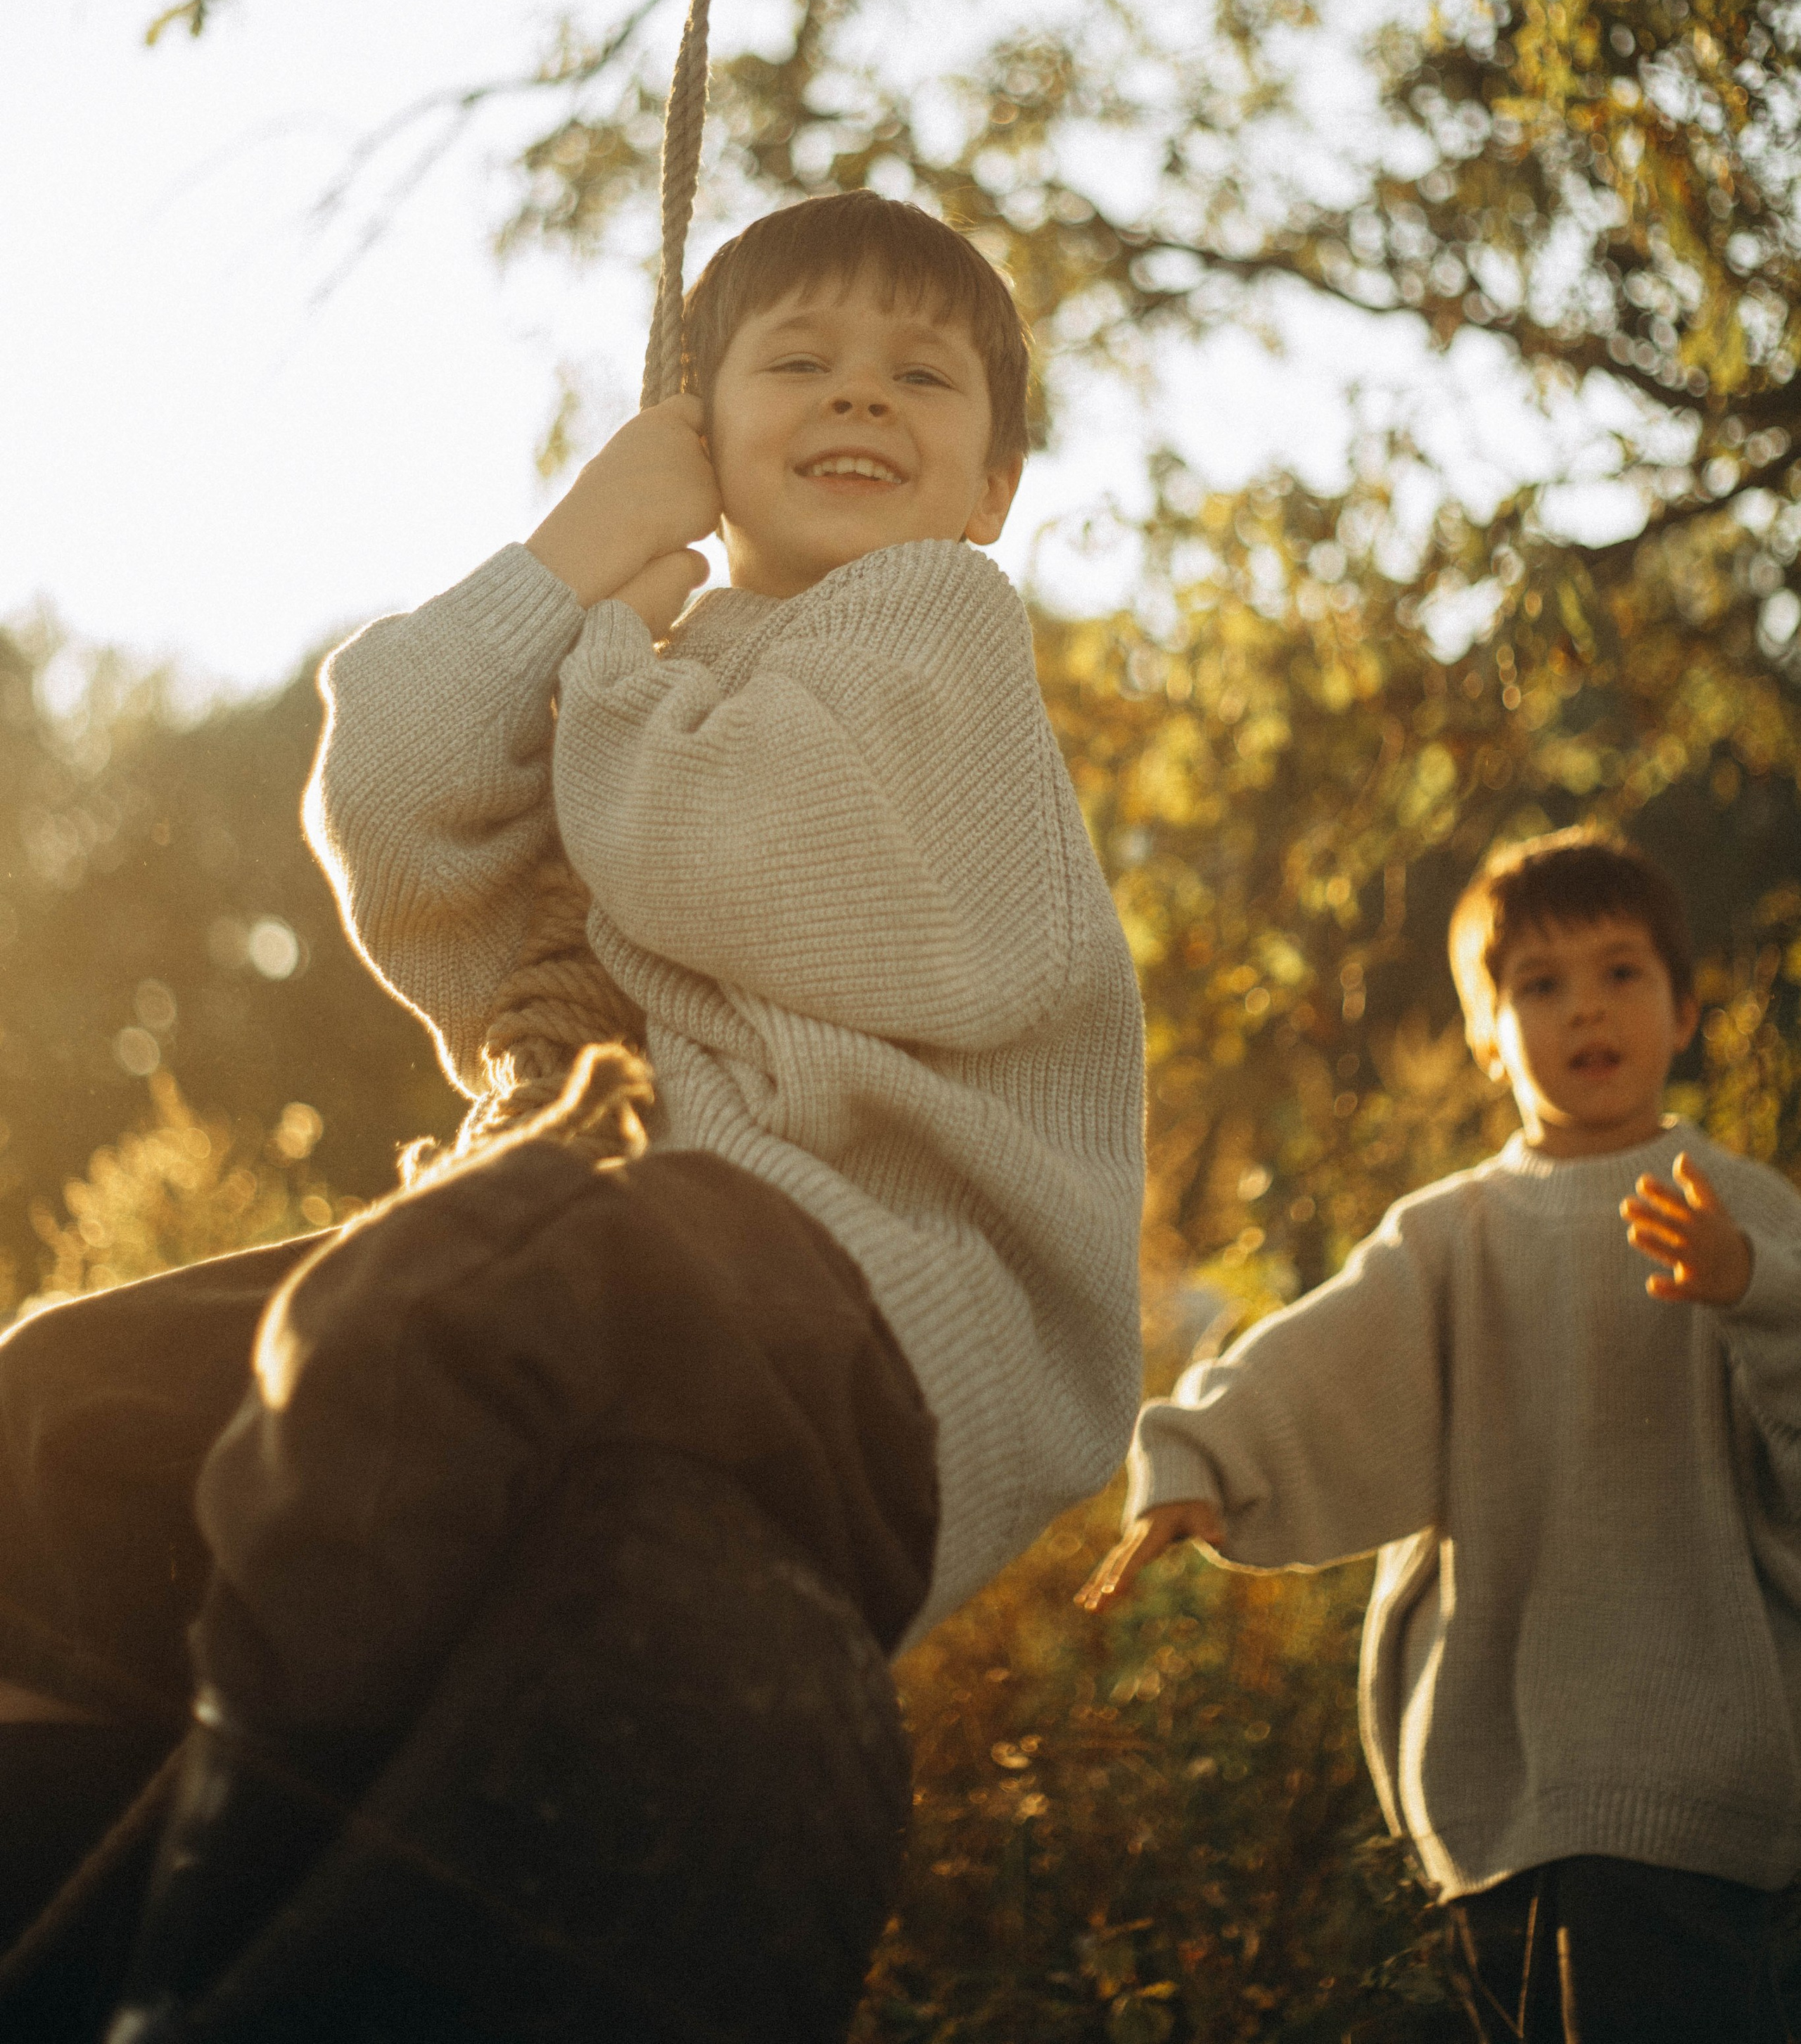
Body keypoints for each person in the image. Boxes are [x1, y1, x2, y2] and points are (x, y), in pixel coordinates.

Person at [0, 191, 1145, 2038]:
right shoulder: (658, 646)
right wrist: (570, 557)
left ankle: (204, 1942)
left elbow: (747, 859)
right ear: (701, 430)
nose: (860, 397)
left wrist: (610, 658)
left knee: (418, 1311)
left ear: (993, 485)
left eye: (921, 377)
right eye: (798, 362)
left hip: (870, 1290)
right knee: (62, 1406)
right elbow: (386, 801)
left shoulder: (937, 631)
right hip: (639, 1249)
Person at [1078, 827, 1801, 2044]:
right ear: (1485, 1033)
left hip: (1703, 1782)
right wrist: (1200, 1460)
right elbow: (1319, 1367)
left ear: (1684, 1011)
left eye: (1623, 973)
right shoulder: (1454, 1237)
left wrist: (1751, 1289)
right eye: (1539, 984)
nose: (1587, 1010)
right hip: (1509, 1793)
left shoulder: (1743, 1212)